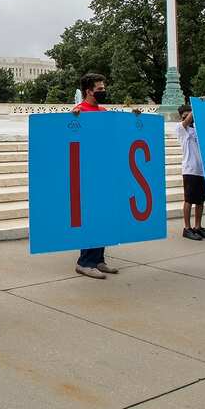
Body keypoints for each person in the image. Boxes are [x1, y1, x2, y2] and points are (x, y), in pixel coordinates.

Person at [71, 73, 119, 279]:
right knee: (90, 217)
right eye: (99, 89)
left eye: (103, 87)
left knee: (103, 216)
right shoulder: (78, 112)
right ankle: (85, 262)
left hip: (104, 172)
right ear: (88, 91)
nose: (103, 91)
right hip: (87, 174)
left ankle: (99, 260)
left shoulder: (103, 111)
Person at [175, 105, 205, 241]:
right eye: (186, 115)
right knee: (189, 200)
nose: (189, 117)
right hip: (190, 169)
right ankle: (187, 228)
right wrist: (197, 107)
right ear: (182, 116)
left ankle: (198, 226)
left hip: (202, 170)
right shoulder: (181, 128)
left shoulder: (198, 129)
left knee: (201, 200)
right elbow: (186, 121)